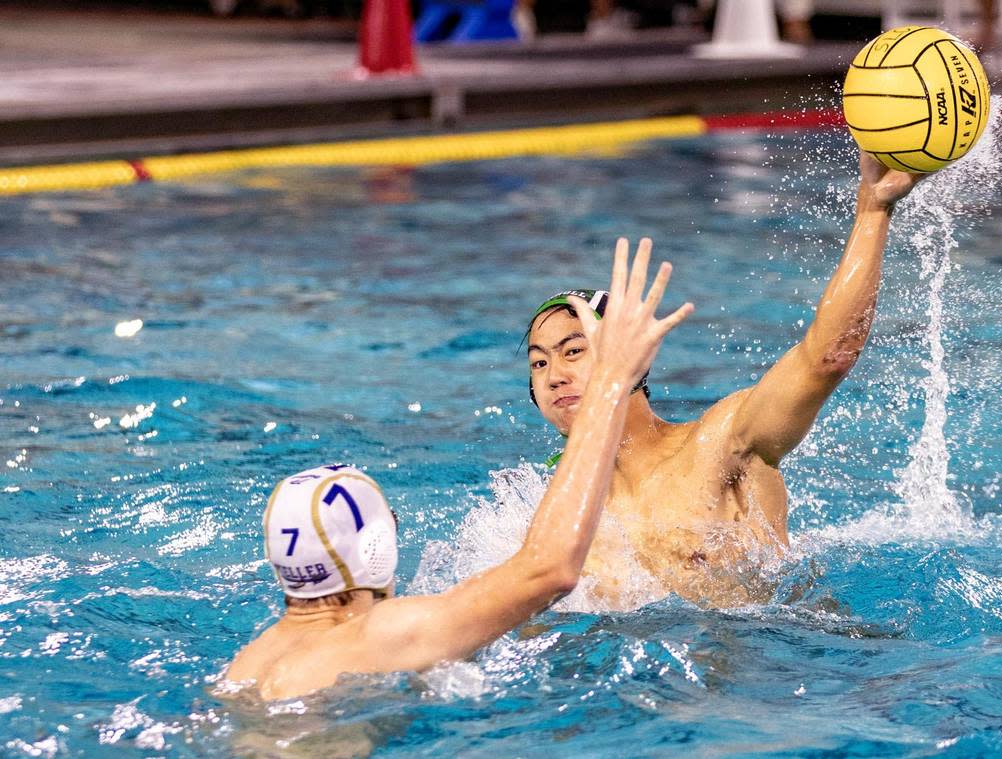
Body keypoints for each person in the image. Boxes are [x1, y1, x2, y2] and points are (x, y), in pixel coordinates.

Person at [223, 243, 693, 700]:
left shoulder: (246, 664)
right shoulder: (392, 633)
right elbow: (548, 570)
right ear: (375, 551)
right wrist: (613, 377)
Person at [524, 152, 922, 609]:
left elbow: (826, 358)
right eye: (538, 363)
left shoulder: (721, 443)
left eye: (573, 352)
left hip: (788, 660)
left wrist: (872, 210)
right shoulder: (558, 518)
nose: (554, 377)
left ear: (630, 354)